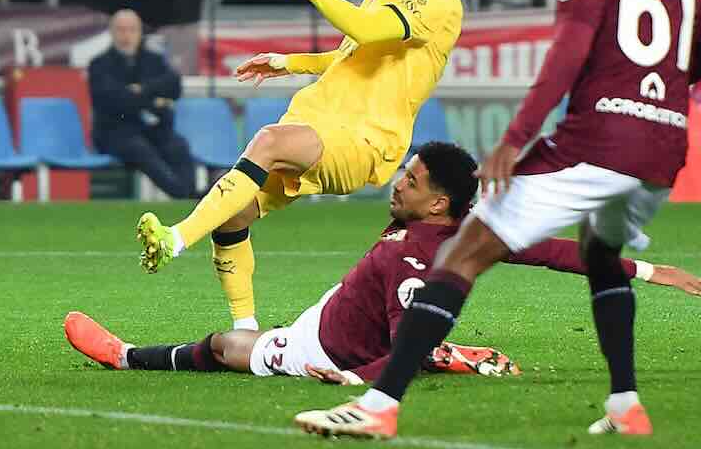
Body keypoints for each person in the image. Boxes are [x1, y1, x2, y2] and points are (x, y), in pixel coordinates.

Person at [294, 0, 701, 440]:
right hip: (664, 145)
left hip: (599, 140)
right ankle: (624, 405)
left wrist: (515, 139)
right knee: (599, 253)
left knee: (462, 249)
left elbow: (567, 55)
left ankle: (376, 407)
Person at [68, 143, 701, 380]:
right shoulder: (471, 232)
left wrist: (352, 383)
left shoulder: (412, 261)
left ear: (438, 204)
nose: (399, 183)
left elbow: (399, 349)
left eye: (413, 179)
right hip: (335, 313)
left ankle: (125, 357)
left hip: (322, 350)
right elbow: (554, 252)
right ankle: (448, 355)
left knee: (231, 345)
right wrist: (648, 272)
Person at [136, 0, 462, 335]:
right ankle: (246, 328)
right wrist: (288, 62)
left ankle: (174, 239)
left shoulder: (439, 3)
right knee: (232, 218)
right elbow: (353, 54)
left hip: (366, 140)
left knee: (268, 140)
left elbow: (361, 28)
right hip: (323, 120)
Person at [89, 10, 196, 200]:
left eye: (131, 30)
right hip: (114, 133)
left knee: (178, 145)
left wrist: (142, 89)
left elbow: (174, 85)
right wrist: (152, 100)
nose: (126, 35)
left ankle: (190, 191)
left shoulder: (152, 60)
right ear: (112, 33)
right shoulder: (99, 64)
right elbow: (112, 99)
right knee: (140, 149)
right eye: (121, 30)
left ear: (140, 32)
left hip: (152, 130)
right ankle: (183, 195)